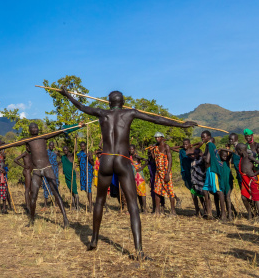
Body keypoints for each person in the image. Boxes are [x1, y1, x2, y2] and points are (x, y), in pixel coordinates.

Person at [60, 87, 197, 257]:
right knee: (133, 204)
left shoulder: (102, 113)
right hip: (122, 159)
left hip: (106, 158)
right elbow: (156, 119)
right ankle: (139, 250)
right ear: (123, 102)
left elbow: (81, 106)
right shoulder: (130, 113)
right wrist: (181, 125)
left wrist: (67, 95)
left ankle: (94, 240)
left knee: (99, 201)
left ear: (109, 102)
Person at [0, 122, 72, 227]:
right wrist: (1, 147)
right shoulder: (28, 140)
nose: (34, 129)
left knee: (56, 193)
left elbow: (58, 132)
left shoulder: (43, 137)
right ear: (29, 130)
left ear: (38, 129)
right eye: (32, 128)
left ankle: (65, 219)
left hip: (47, 168)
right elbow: (15, 144)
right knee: (33, 196)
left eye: (36, 127)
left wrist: (76, 126)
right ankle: (31, 220)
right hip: (36, 170)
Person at [201, 130, 230, 221]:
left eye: (204, 137)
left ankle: (223, 215)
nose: (202, 139)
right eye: (202, 137)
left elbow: (207, 159)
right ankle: (209, 213)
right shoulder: (210, 145)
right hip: (209, 170)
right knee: (205, 190)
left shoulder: (209, 145)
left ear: (209, 137)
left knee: (218, 191)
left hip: (212, 170)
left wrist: (201, 155)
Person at [149, 132, 177, 216]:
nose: (157, 139)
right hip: (158, 172)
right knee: (157, 191)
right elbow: (154, 159)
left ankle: (173, 211)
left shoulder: (166, 146)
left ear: (162, 138)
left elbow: (170, 160)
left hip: (166, 172)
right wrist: (152, 151)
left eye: (158, 137)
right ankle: (157, 211)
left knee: (170, 191)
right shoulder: (155, 148)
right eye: (156, 138)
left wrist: (168, 173)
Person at [235, 143, 259, 219]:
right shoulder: (241, 158)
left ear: (240, 150)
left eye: (237, 151)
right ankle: (250, 213)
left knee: (256, 198)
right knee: (243, 197)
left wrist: (255, 173)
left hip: (252, 180)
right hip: (244, 180)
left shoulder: (249, 158)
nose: (237, 153)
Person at [13, 147, 33, 213]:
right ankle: (27, 206)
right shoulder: (25, 153)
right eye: (28, 146)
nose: (29, 148)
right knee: (27, 189)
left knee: (30, 189)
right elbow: (15, 160)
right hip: (26, 171)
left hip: (30, 171)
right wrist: (23, 166)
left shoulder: (31, 153)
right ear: (26, 147)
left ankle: (29, 204)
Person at [129, 145, 147, 213]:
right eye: (130, 149)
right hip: (133, 176)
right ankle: (141, 208)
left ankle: (144, 209)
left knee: (142, 193)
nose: (131, 150)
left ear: (134, 149)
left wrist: (141, 168)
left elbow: (146, 160)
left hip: (139, 176)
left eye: (132, 149)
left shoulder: (136, 156)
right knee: (137, 193)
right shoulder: (129, 156)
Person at [42, 141, 60, 208]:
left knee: (55, 186)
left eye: (52, 146)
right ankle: (45, 204)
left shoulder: (55, 153)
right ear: (48, 146)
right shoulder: (45, 152)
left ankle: (55, 204)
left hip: (55, 171)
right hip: (47, 171)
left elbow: (62, 159)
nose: (51, 147)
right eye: (50, 145)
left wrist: (58, 154)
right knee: (46, 186)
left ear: (54, 146)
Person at [61, 146, 79, 210]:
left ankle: (77, 206)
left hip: (72, 176)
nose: (65, 151)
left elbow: (75, 150)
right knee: (71, 191)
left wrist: (76, 140)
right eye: (64, 150)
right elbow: (62, 162)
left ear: (68, 149)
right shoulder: (63, 157)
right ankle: (73, 206)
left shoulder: (71, 156)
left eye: (66, 150)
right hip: (67, 176)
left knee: (75, 190)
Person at [78, 141, 93, 211]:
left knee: (89, 188)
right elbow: (79, 163)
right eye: (81, 146)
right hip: (83, 173)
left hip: (88, 172)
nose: (82, 147)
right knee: (86, 189)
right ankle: (89, 204)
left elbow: (92, 163)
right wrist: (79, 160)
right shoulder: (79, 154)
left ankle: (90, 205)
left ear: (86, 146)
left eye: (83, 146)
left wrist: (88, 158)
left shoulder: (89, 152)